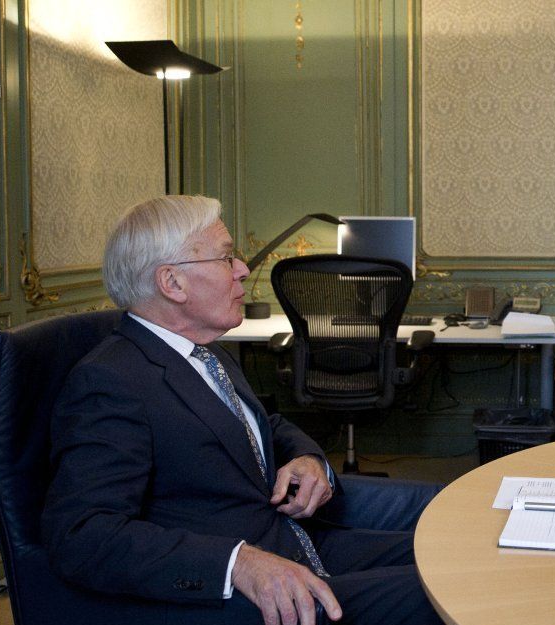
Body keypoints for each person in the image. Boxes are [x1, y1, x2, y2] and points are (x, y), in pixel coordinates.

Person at [41, 195, 443, 625]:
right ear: (172, 283)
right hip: (260, 588)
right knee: (447, 590)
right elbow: (82, 535)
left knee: (458, 552)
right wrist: (236, 564)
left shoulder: (205, 352)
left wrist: (307, 459)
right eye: (226, 257)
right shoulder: (111, 380)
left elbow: (261, 425)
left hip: (300, 540)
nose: (243, 270)